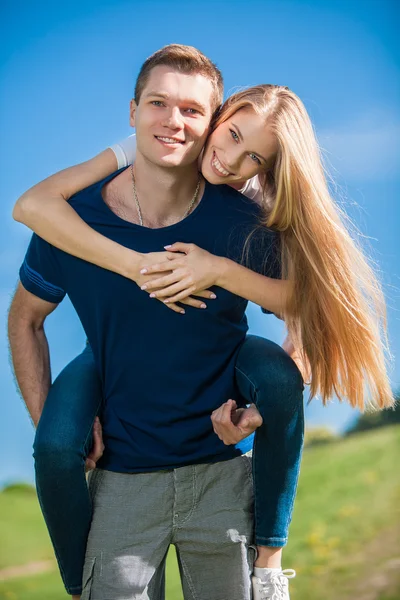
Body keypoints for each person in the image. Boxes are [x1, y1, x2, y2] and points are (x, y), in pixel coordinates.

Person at [12, 49, 393, 600]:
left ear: (209, 119)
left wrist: (221, 276)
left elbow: (312, 315)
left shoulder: (244, 222)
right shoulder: (71, 216)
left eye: (192, 111)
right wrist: (61, 422)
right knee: (53, 445)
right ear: (133, 110)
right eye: (158, 104)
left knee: (279, 374)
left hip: (218, 475)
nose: (174, 122)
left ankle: (271, 561)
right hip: (123, 479)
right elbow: (26, 314)